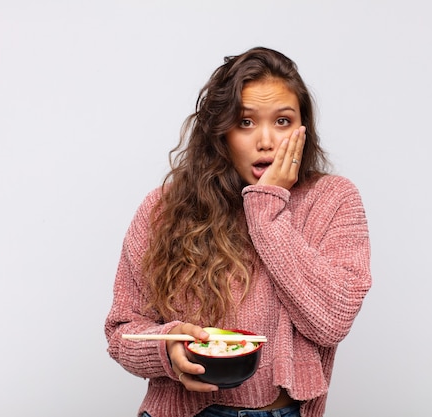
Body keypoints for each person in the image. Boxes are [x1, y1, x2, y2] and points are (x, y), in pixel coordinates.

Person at [105, 46, 372, 417]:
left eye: (282, 121)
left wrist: (267, 204)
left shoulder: (332, 200)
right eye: (245, 122)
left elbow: (330, 321)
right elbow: (121, 330)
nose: (266, 141)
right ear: (221, 132)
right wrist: (168, 351)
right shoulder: (163, 208)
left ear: (302, 129)